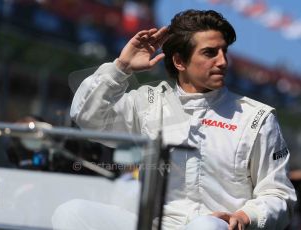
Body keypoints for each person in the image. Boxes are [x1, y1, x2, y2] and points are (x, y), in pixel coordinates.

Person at [68, 9, 296, 229]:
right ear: (179, 61)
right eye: (210, 53)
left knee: (205, 226)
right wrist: (121, 67)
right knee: (72, 212)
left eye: (224, 51)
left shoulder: (256, 117)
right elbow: (87, 117)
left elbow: (278, 195)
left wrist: (246, 217)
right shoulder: (148, 102)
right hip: (151, 224)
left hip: (215, 226)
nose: (223, 61)